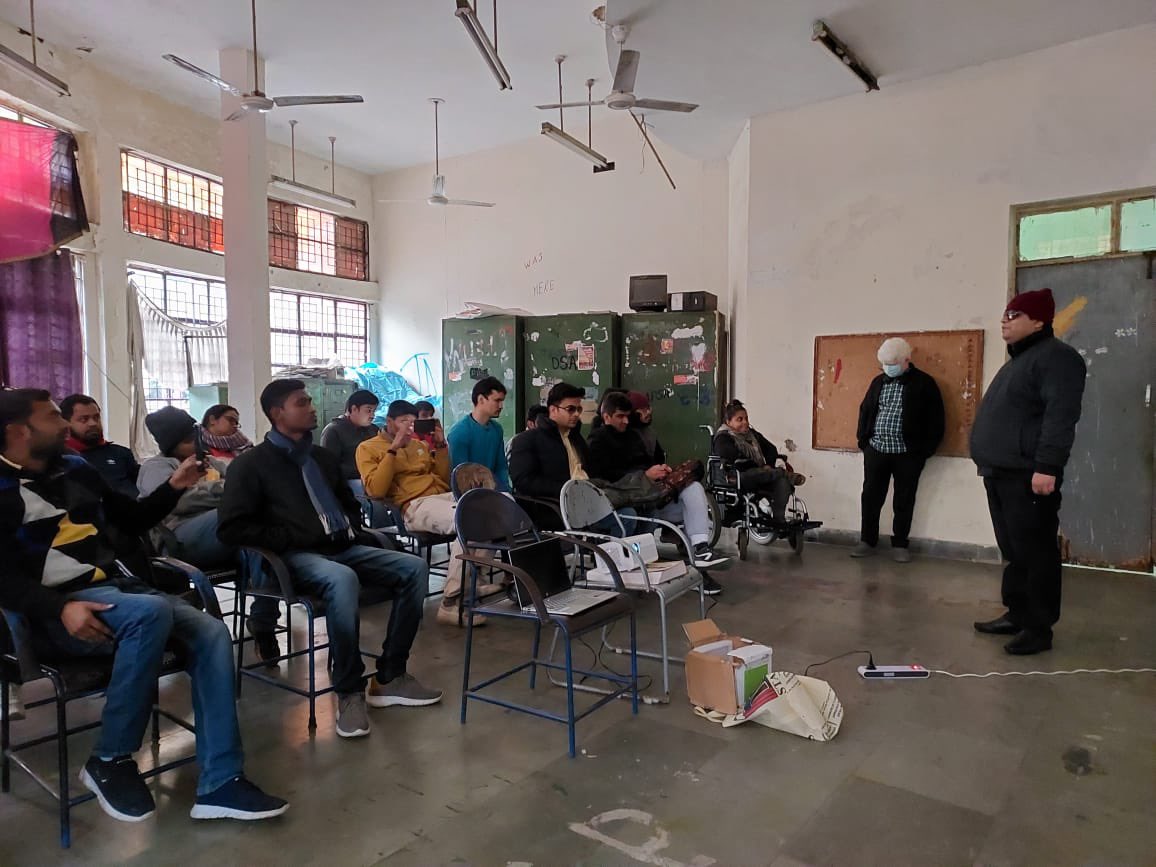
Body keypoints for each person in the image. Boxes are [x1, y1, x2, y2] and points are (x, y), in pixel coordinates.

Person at [0, 388, 287, 822]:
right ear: (18, 432)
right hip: (59, 612)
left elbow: (131, 520)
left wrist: (173, 488)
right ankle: (110, 758)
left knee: (211, 630)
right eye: (53, 417)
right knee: (151, 612)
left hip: (121, 592)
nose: (64, 425)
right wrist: (57, 608)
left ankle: (220, 782)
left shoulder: (76, 468)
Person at [217, 381, 441, 738]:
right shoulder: (252, 465)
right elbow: (231, 528)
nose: (311, 407)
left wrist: (349, 526)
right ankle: (349, 691)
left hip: (341, 546)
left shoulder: (321, 458)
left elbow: (348, 503)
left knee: (414, 567)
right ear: (278, 413)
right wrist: (290, 537)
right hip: (295, 555)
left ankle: (390, 677)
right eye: (301, 402)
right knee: (341, 579)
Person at [969, 288, 1086, 655]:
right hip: (1002, 472)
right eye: (1005, 314)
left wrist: (1047, 466)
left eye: (1014, 315)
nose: (1005, 321)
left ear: (1038, 320)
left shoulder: (1057, 359)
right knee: (1015, 550)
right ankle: (1018, 613)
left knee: (1035, 552)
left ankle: (1038, 628)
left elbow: (1059, 417)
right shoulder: (1021, 360)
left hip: (1029, 475)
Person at [357, 400, 490, 628]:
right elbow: (376, 490)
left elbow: (442, 476)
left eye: (413, 422)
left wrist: (440, 447)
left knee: (489, 509)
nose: (409, 427)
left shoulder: (418, 445)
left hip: (440, 497)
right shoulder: (367, 448)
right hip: (413, 505)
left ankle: (475, 582)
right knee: (467, 520)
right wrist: (393, 448)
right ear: (389, 422)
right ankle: (451, 603)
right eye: (403, 422)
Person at [586, 392, 728, 585]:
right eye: (621, 416)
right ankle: (694, 570)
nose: (626, 421)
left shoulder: (635, 436)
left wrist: (662, 471)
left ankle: (700, 549)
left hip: (650, 496)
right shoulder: (598, 442)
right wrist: (646, 476)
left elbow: (650, 462)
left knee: (693, 488)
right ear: (606, 417)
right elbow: (607, 480)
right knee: (651, 508)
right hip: (632, 502)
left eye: (628, 415)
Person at [852, 337, 946, 563]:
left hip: (908, 454)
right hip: (876, 450)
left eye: (892, 363)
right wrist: (864, 442)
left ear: (906, 360)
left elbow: (936, 420)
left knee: (904, 499)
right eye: (884, 363)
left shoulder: (924, 383)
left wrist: (924, 451)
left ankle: (900, 544)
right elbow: (865, 411)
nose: (888, 367)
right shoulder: (878, 382)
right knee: (871, 497)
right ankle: (867, 540)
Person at [139, 407, 234, 571]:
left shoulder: (210, 462)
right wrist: (226, 490)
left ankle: (265, 593)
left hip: (213, 533)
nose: (195, 443)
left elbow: (239, 485)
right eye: (187, 440)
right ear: (171, 445)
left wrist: (202, 489)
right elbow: (179, 502)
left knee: (252, 533)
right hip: (176, 537)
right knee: (235, 513)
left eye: (195, 437)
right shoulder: (156, 467)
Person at [712, 399, 799, 523]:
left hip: (759, 474)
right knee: (760, 473)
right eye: (739, 419)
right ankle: (782, 473)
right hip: (735, 476)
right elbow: (734, 458)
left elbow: (771, 449)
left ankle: (779, 519)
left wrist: (768, 464)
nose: (745, 422)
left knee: (782, 482)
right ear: (728, 422)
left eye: (746, 418)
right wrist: (759, 467)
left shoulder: (751, 434)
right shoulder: (723, 438)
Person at [60, 394, 139, 497]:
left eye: (96, 417)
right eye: (84, 419)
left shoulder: (120, 453)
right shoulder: (60, 458)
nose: (93, 423)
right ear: (66, 423)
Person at [447, 376, 510, 491]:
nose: (501, 406)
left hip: (493, 491)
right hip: (469, 496)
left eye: (502, 401)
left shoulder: (497, 429)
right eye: (497, 400)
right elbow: (460, 477)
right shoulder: (459, 432)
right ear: (481, 399)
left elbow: (501, 467)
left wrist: (506, 493)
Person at [320, 390, 380, 482]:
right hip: (349, 483)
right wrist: (364, 470)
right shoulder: (333, 431)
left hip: (373, 479)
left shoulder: (373, 430)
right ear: (354, 409)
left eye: (374, 411)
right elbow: (330, 467)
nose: (372, 415)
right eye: (368, 410)